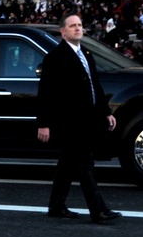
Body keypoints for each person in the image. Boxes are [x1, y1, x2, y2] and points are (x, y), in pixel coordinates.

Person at [36, 13, 122, 224]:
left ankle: (56, 206)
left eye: (80, 25)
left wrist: (106, 112)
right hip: (69, 122)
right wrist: (43, 123)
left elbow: (95, 86)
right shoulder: (55, 57)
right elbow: (46, 92)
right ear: (63, 32)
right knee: (84, 165)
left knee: (67, 164)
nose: (78, 29)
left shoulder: (86, 54)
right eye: (72, 26)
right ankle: (98, 210)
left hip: (87, 120)